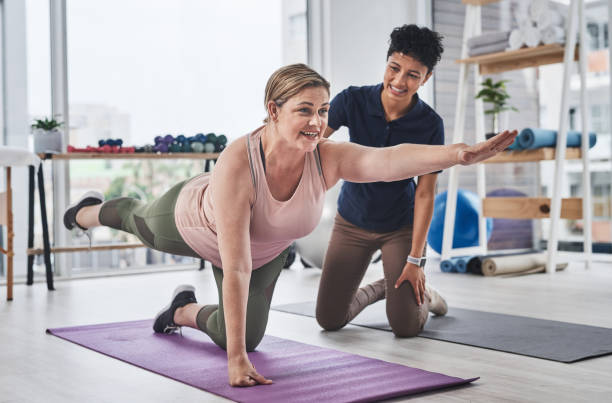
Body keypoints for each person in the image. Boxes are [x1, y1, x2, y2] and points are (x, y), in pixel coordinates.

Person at [63, 63, 517, 387]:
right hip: (191, 221)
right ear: (273, 110)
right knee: (136, 220)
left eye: (322, 111)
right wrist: (236, 362)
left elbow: (388, 160)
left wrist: (458, 154)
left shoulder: (327, 156)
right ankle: (86, 211)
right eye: (305, 110)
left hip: (261, 250)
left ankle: (181, 310)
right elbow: (235, 267)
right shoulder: (240, 160)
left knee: (245, 333)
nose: (317, 122)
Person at [316, 25, 448, 337]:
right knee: (329, 319)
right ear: (387, 62)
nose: (400, 81)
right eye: (394, 68)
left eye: (413, 75)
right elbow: (312, 144)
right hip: (352, 221)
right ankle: (383, 287)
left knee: (405, 326)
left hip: (399, 228)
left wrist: (416, 260)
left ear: (425, 78)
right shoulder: (352, 100)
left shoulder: (431, 125)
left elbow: (426, 194)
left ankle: (427, 295)